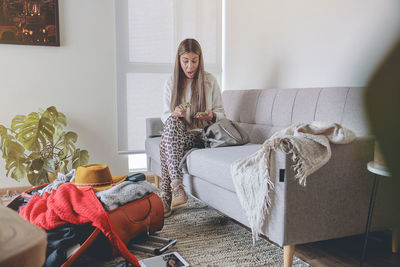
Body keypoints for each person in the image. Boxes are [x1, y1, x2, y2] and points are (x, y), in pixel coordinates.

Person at [160, 38, 225, 217]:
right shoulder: (171, 82)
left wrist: (212, 115)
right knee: (171, 125)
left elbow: (222, 113)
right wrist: (174, 114)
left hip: (201, 136)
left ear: (200, 59)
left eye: (194, 61)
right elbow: (165, 115)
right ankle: (177, 186)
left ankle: (166, 194)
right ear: (178, 60)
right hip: (180, 135)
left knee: (164, 143)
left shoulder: (210, 81)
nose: (190, 67)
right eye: (185, 61)